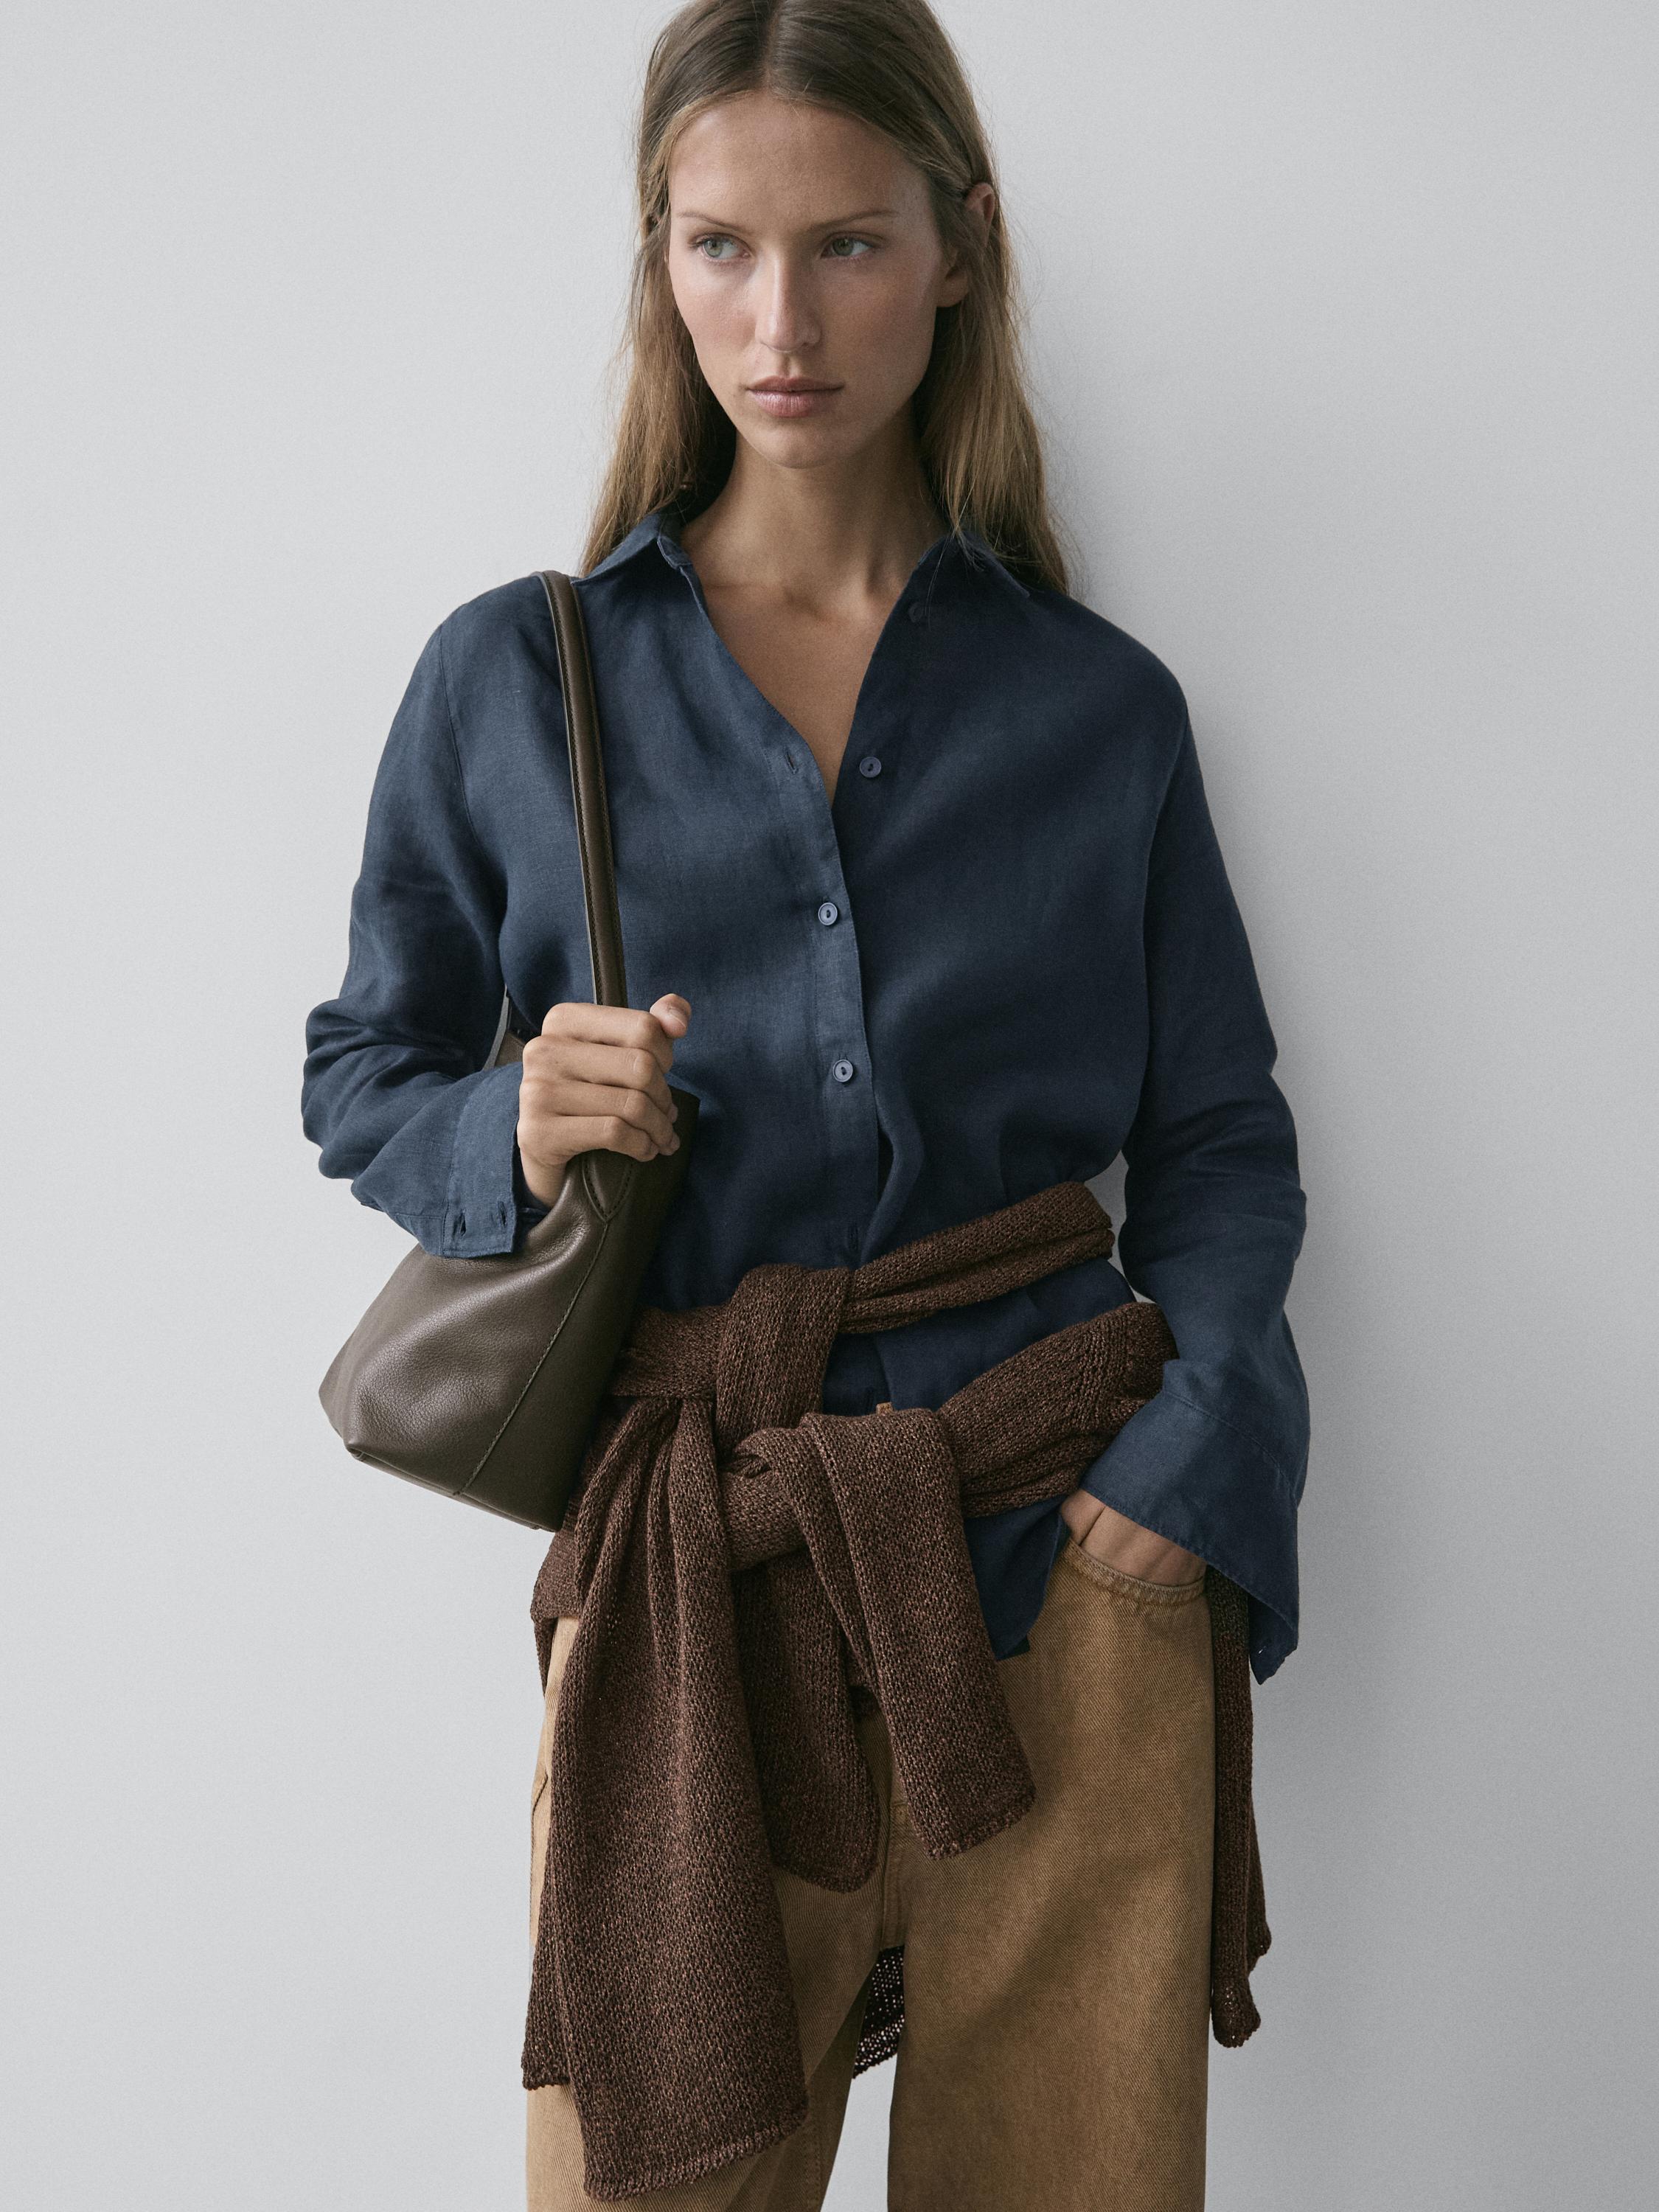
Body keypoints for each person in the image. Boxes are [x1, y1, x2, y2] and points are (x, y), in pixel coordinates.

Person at [300, 1, 1309, 2205]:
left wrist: (1198, 1464)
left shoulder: (1096, 710)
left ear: (959, 248)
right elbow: (358, 1076)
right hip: (699, 1595)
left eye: (845, 246)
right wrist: (519, 1126)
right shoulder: (519, 674)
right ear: (656, 260)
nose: (782, 321)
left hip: (1075, 1565)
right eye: (719, 247)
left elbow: (1217, 1138)